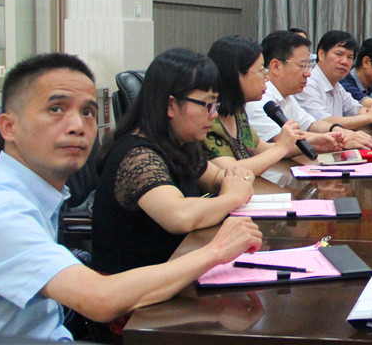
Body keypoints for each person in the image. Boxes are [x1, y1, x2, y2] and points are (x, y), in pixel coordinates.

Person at [0, 53, 262, 341]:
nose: (77, 126)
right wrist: (216, 250)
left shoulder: (36, 195)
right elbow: (99, 299)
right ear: (9, 127)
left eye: (88, 112)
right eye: (56, 109)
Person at [91, 48, 259, 275]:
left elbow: (218, 177)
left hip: (172, 273)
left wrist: (236, 178)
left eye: (215, 105)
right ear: (171, 105)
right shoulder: (137, 155)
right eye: (207, 105)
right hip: (134, 288)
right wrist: (233, 196)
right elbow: (180, 216)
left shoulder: (178, 143)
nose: (213, 115)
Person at [244, 31, 372, 151]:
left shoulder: (287, 97)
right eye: (302, 66)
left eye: (308, 66)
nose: (308, 74)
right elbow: (281, 142)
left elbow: (311, 124)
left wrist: (339, 132)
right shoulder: (259, 100)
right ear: (276, 66)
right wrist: (337, 139)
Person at [204, 35, 309, 175]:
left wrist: (316, 143)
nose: (267, 78)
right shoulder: (208, 117)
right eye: (261, 71)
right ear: (235, 74)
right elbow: (230, 171)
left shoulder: (238, 113)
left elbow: (262, 149)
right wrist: (281, 147)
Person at [296, 30, 372, 129]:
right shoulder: (307, 83)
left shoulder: (337, 86)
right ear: (321, 54)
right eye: (339, 54)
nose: (345, 62)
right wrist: (370, 117)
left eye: (350, 57)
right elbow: (324, 122)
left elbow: (356, 109)